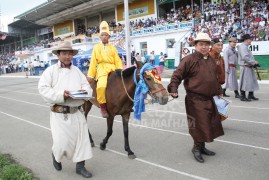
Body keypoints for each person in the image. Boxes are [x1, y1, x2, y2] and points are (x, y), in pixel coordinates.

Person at [38, 41, 93, 178]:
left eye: (70, 54)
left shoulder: (77, 71)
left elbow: (87, 87)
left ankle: (80, 167)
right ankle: (55, 156)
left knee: (83, 141)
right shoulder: (50, 71)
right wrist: (62, 94)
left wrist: (84, 92)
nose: (67, 56)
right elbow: (43, 89)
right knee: (61, 143)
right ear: (58, 55)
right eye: (64, 53)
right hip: (59, 114)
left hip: (77, 112)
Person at [167, 33, 224, 163]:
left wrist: (218, 90)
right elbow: (177, 75)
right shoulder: (188, 60)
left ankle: (202, 147)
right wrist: (173, 88)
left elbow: (214, 78)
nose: (204, 47)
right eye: (201, 44)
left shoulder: (210, 60)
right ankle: (196, 148)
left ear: (209, 46)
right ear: (196, 45)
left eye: (206, 44)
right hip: (195, 99)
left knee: (208, 123)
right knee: (199, 125)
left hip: (209, 98)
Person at [87, 21, 123, 118]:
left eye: (106, 35)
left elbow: (117, 60)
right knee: (101, 86)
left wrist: (120, 69)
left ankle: (123, 104)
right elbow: (93, 62)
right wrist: (90, 75)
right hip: (101, 70)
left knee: (121, 85)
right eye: (102, 35)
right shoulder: (96, 48)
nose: (104, 37)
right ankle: (103, 107)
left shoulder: (113, 48)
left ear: (109, 37)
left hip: (112, 69)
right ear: (100, 37)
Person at [238, 34, 259, 101]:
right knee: (245, 81)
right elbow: (245, 57)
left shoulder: (245, 46)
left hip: (248, 66)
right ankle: (242, 96)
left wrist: (254, 62)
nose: (251, 40)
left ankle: (250, 95)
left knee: (251, 81)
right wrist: (253, 62)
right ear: (246, 40)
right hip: (245, 67)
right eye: (250, 39)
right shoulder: (243, 47)